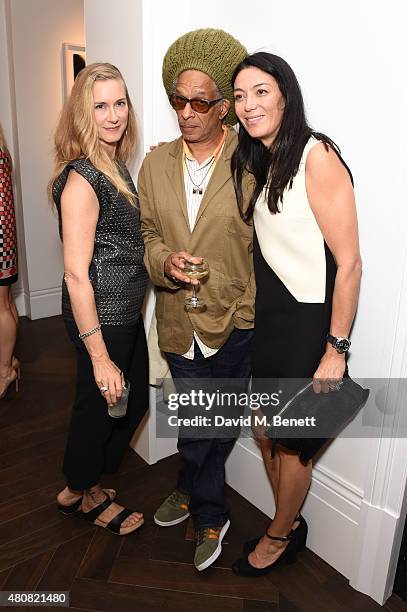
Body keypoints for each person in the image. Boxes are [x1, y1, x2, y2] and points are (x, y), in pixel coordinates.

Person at [230, 52, 362, 576]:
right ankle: (290, 519)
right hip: (273, 318)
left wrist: (336, 349)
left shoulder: (316, 155)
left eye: (261, 91)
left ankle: (280, 534)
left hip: (309, 328)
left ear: (286, 93)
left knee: (295, 447)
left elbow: (349, 263)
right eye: (240, 96)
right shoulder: (264, 157)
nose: (248, 104)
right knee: (266, 429)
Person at [139, 29, 255, 571]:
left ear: (224, 107)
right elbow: (146, 234)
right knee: (198, 420)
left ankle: (188, 486)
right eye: (177, 101)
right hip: (177, 319)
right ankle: (211, 512)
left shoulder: (251, 161)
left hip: (234, 321)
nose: (186, 113)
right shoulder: (155, 164)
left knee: (217, 421)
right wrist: (163, 261)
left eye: (199, 102)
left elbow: (266, 245)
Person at [49, 63, 149, 535]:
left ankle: (79, 483)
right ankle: (85, 495)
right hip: (101, 317)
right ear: (82, 114)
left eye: (120, 103)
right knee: (98, 406)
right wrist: (100, 357)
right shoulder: (82, 180)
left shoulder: (114, 162)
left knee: (130, 401)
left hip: (125, 310)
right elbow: (75, 274)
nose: (113, 116)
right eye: (100, 106)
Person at [0, 122, 20, 399]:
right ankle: (11, 360)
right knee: (6, 303)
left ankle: (5, 371)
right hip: (6, 240)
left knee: (1, 307)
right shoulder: (4, 151)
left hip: (1, 241)